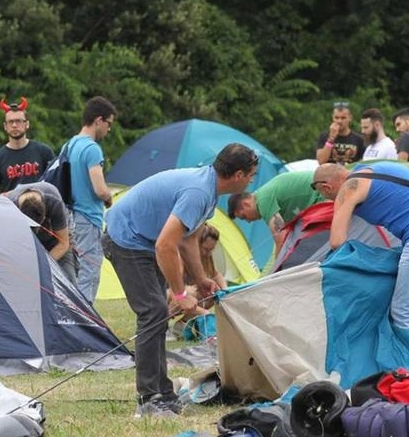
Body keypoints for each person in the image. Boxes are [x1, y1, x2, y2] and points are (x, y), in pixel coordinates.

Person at [102, 143, 258, 417]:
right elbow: (165, 245)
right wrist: (181, 294)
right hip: (126, 238)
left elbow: (187, 240)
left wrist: (201, 279)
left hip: (144, 239)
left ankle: (164, 393)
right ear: (237, 175)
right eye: (251, 175)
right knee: (153, 312)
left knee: (158, 313)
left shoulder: (209, 190)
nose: (251, 181)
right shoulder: (198, 192)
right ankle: (149, 399)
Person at [312, 161, 409, 345]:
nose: (325, 198)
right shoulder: (378, 168)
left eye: (322, 194)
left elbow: (336, 241)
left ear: (326, 186)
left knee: (404, 310)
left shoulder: (349, 187)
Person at [68, 96, 117, 302]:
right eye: (108, 124)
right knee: (89, 272)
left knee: (75, 271)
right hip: (88, 218)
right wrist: (108, 198)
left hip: (71, 217)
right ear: (98, 120)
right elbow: (99, 189)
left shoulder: (71, 144)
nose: (108, 129)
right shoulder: (91, 149)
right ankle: (84, 324)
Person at [228, 170, 326, 252]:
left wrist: (278, 272)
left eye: (243, 217)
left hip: (322, 193)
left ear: (246, 204)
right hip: (322, 189)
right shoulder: (264, 197)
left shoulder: (263, 201)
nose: (248, 221)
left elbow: (281, 240)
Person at [6, 181, 76, 282]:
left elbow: (63, 244)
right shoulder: (9, 207)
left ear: (44, 217)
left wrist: (43, 264)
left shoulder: (54, 202)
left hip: (57, 241)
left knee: (68, 278)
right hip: (25, 245)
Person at [0, 97, 55, 194]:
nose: (14, 125)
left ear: (27, 124)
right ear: (5, 126)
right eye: (10, 122)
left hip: (41, 207)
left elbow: (56, 184)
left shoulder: (44, 152)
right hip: (11, 208)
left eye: (18, 121)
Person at [167, 224, 228, 328]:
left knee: (213, 291)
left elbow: (216, 274)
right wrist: (205, 312)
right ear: (195, 245)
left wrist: (226, 291)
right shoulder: (180, 258)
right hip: (170, 295)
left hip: (184, 297)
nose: (209, 254)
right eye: (206, 249)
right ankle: (162, 324)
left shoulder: (206, 257)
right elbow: (175, 293)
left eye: (212, 250)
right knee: (191, 292)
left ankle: (181, 325)